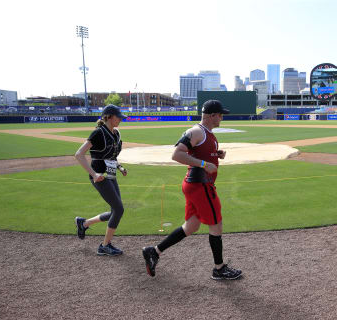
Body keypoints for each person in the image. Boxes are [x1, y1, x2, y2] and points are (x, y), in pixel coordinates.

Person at [142, 100, 242, 280]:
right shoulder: (197, 131)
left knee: (192, 225)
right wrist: (204, 163)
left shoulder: (207, 134)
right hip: (200, 185)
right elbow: (177, 154)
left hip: (197, 184)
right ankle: (219, 269)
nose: (221, 118)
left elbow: (197, 152)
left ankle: (154, 251)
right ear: (211, 115)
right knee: (216, 224)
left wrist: (215, 155)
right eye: (220, 115)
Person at [74, 104, 128, 256]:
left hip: (110, 175)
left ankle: (84, 224)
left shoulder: (116, 133)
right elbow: (79, 154)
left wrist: (120, 167)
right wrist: (94, 174)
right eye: (118, 117)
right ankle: (105, 245)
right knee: (118, 209)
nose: (120, 120)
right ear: (109, 117)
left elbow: (111, 156)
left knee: (115, 211)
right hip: (99, 177)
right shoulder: (98, 133)